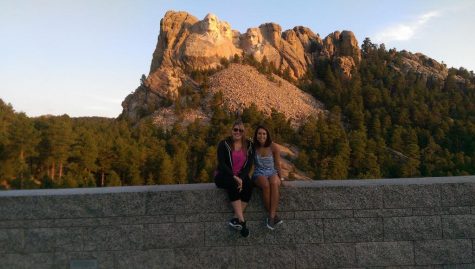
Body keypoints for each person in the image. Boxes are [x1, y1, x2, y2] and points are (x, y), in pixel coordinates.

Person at [214, 120, 254, 237]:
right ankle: (242, 221)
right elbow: (222, 164)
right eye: (235, 129)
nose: (237, 132)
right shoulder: (224, 144)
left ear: (244, 132)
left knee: (249, 185)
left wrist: (241, 178)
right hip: (223, 175)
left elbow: (249, 166)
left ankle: (235, 219)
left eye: (240, 130)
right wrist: (234, 177)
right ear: (231, 130)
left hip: (240, 175)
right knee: (232, 183)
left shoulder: (249, 145)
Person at [252, 125, 283, 230]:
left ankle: (271, 217)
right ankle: (274, 216)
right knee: (265, 184)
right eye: (259, 133)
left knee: (274, 182)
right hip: (258, 173)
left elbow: (277, 164)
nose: (262, 136)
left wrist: (281, 178)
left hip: (272, 171)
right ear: (256, 135)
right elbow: (250, 165)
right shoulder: (253, 147)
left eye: (264, 133)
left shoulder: (274, 147)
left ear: (267, 135)